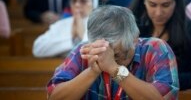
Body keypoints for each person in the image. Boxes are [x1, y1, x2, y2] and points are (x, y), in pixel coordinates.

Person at [47, 6, 179, 99]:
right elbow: (54, 97)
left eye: (118, 55)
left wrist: (114, 69)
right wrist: (92, 72)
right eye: (103, 53)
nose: (108, 60)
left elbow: (165, 98)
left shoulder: (156, 48)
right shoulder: (85, 51)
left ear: (135, 38)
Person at [130, 0, 191, 90]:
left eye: (166, 5)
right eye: (152, 5)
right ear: (143, 1)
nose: (159, 13)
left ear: (177, 2)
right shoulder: (134, 30)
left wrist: (159, 82)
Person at [33, 0, 99, 58]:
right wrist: (72, 40)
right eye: (74, 0)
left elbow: (98, 52)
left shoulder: (100, 25)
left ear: (94, 3)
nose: (77, 5)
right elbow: (37, 49)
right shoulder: (60, 24)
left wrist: (81, 36)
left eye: (83, 1)